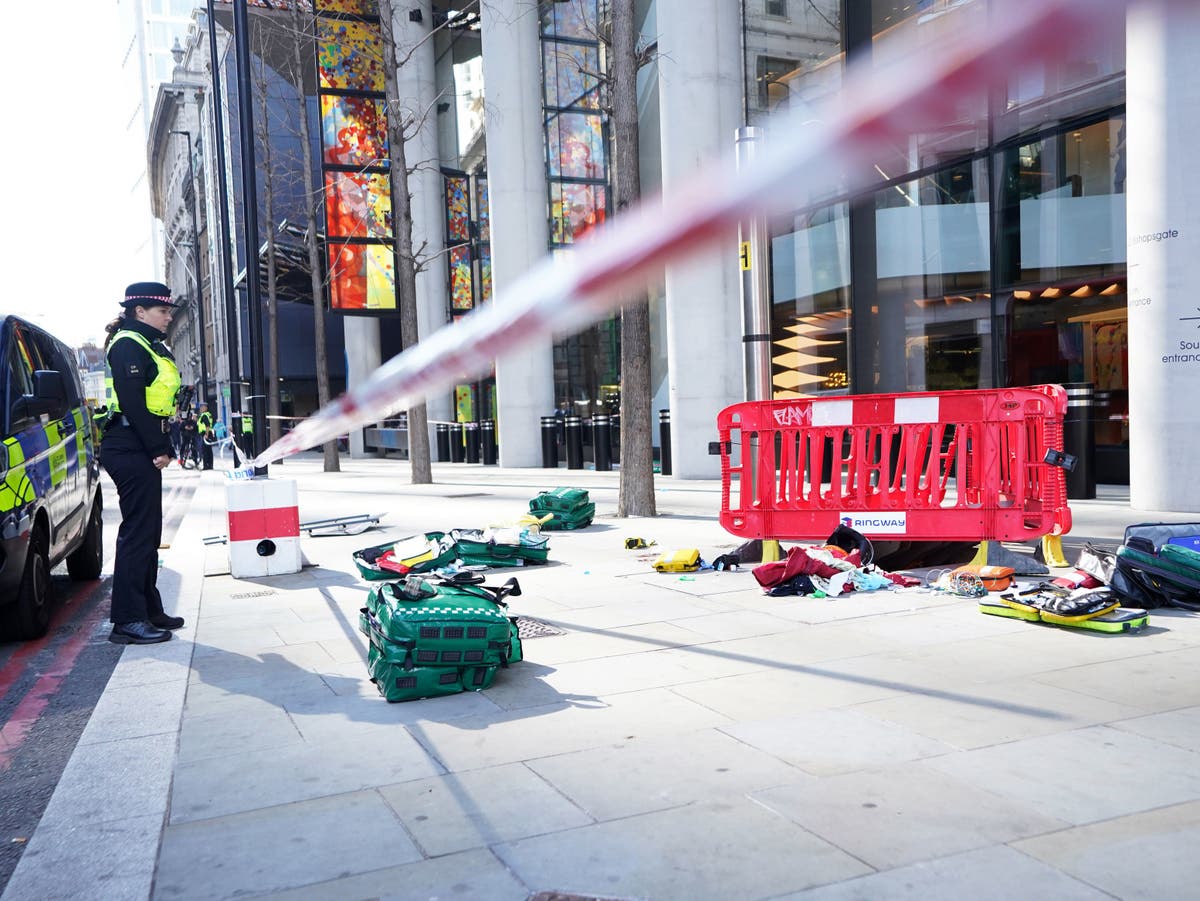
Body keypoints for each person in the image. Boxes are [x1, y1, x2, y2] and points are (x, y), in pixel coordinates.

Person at [100, 282, 186, 644]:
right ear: (140, 312)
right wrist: (157, 447)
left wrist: (162, 442)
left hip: (138, 442)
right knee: (137, 534)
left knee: (149, 532)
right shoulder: (127, 345)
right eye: (163, 310)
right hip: (128, 444)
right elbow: (133, 403)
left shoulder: (148, 345)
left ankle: (149, 609)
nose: (169, 316)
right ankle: (127, 620)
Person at [197, 402, 215, 470]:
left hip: (205, 434)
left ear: (206, 408)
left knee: (205, 451)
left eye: (203, 407)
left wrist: (206, 435)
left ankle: (206, 466)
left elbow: (207, 425)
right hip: (208, 433)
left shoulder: (204, 415)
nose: (201, 408)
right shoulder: (208, 415)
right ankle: (210, 465)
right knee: (209, 451)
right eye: (201, 407)